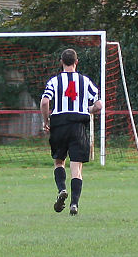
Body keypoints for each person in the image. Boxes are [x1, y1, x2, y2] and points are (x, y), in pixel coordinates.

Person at [40, 48, 102, 216]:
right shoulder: (85, 81)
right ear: (77, 62)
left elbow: (45, 102)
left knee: (59, 162)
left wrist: (46, 121)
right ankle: (74, 204)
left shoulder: (54, 81)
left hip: (59, 124)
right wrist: (86, 109)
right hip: (78, 126)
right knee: (77, 168)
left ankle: (61, 189)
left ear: (61, 62)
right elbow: (99, 106)